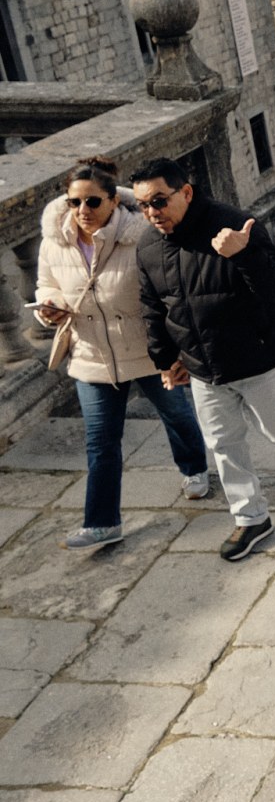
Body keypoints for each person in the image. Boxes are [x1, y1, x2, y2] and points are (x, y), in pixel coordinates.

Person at [131, 158, 275, 562]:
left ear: (185, 192)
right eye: (143, 205)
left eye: (159, 201)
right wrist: (167, 359)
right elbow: (153, 307)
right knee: (222, 443)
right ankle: (251, 517)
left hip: (257, 357)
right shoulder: (149, 246)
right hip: (203, 368)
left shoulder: (235, 224)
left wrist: (242, 254)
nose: (152, 213)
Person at [35, 158, 211, 551]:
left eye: (93, 202)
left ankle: (195, 467)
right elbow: (46, 285)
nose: (83, 212)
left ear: (114, 202)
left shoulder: (141, 236)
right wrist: (50, 306)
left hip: (144, 348)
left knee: (177, 414)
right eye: (74, 202)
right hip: (91, 354)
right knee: (100, 442)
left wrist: (175, 349)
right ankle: (101, 523)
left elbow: (166, 291)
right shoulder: (54, 241)